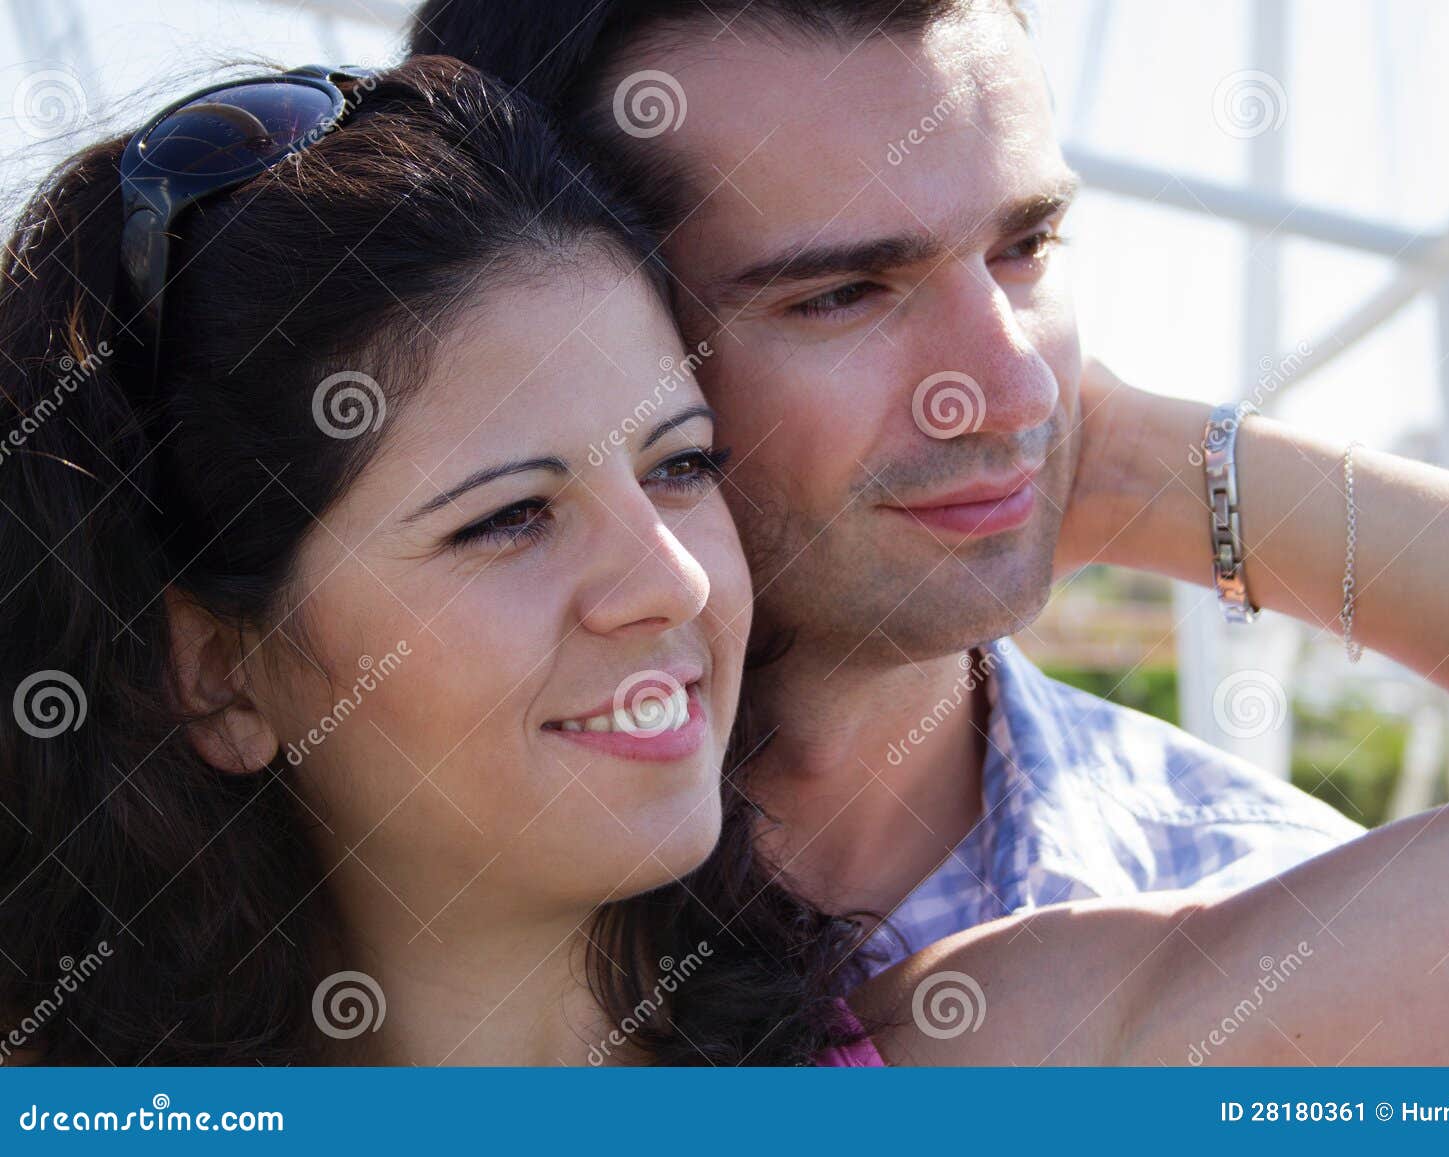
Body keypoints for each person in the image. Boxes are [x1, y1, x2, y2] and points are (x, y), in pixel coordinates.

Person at [408, 0, 1374, 976]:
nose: (1017, 391)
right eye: (840, 294)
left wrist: (1162, 473)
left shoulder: (1274, 905)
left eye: (1026, 247)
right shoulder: (330, 930)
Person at [0, 57, 862, 1066]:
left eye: (680, 464)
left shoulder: (1002, 1036)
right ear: (219, 678)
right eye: (509, 518)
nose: (675, 580)